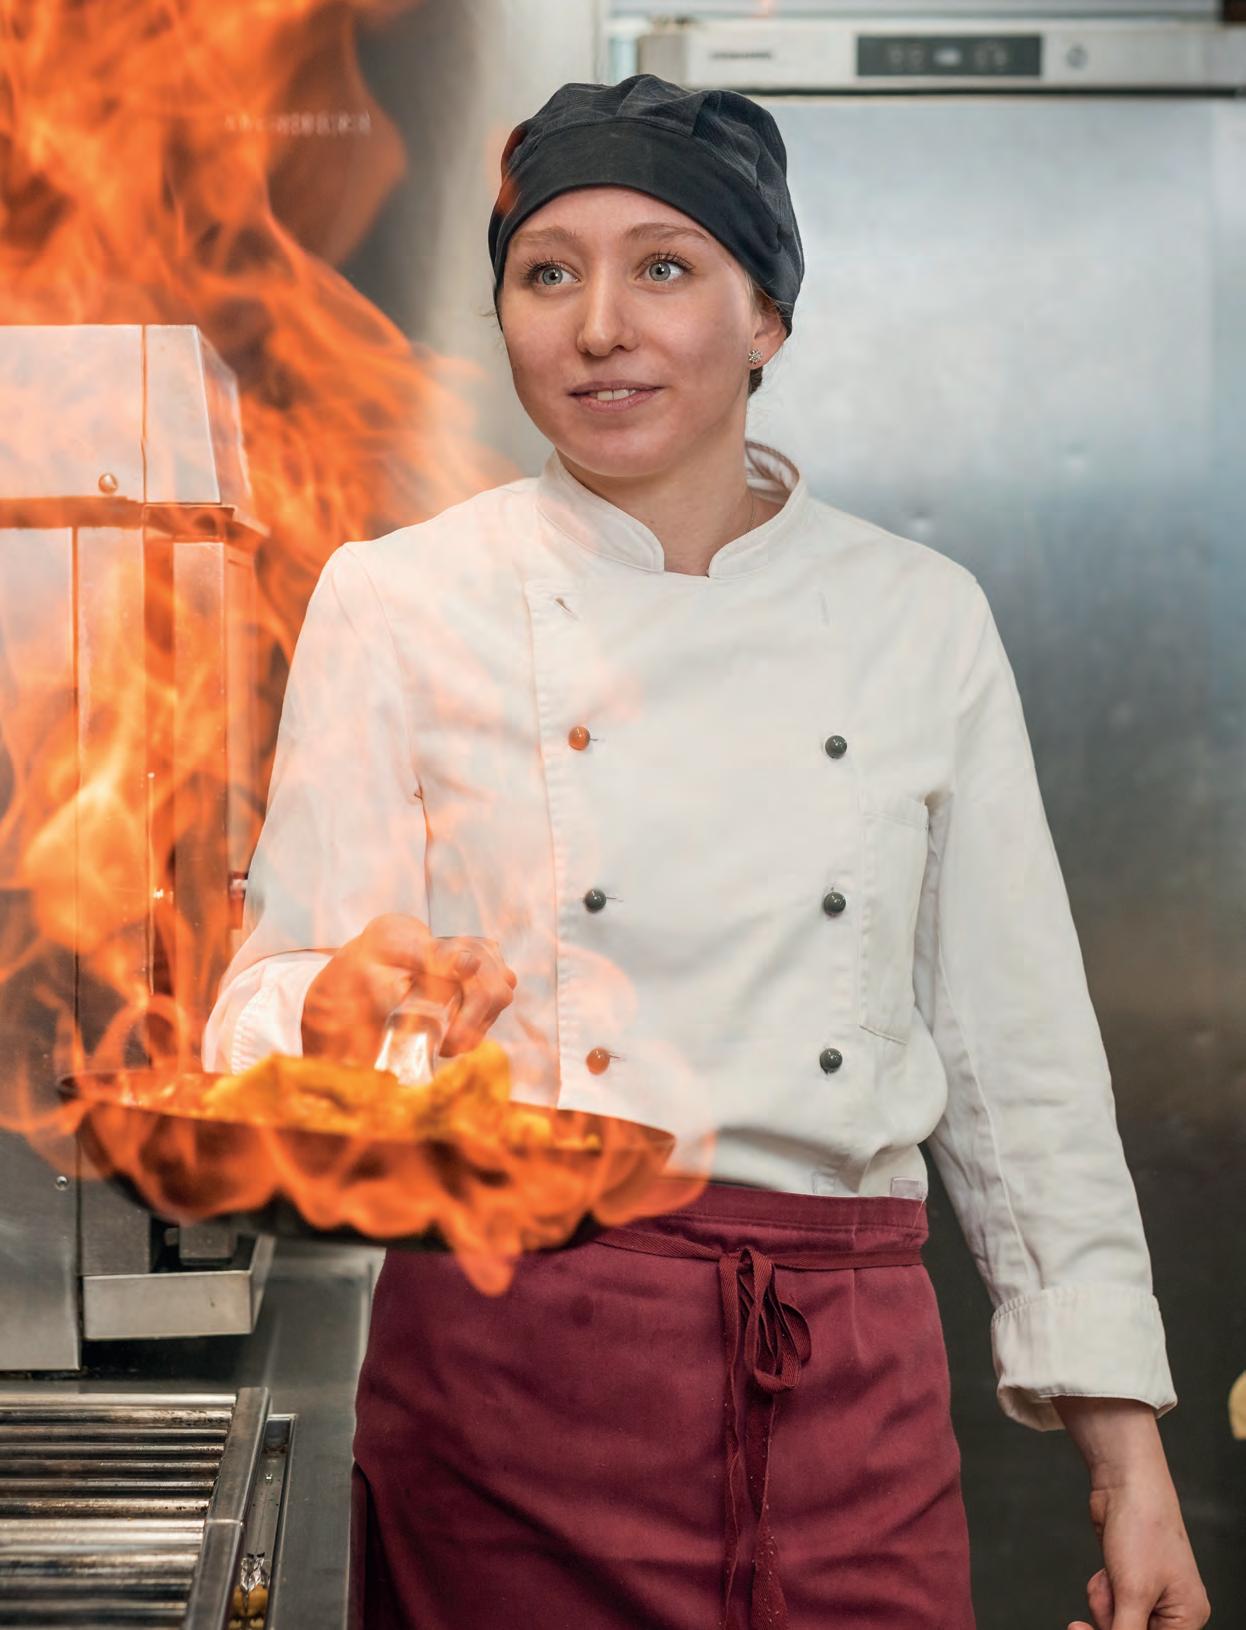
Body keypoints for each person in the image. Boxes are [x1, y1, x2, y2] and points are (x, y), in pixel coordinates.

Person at [203, 73, 1210, 1630]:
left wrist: (1126, 1458)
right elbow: (267, 1016)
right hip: (510, 1387)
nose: (598, 327)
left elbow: (1018, 1062)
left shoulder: (915, 618)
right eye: (547, 273)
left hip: (847, 1381)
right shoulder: (399, 601)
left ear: (766, 320)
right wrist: (330, 1016)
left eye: (663, 266)